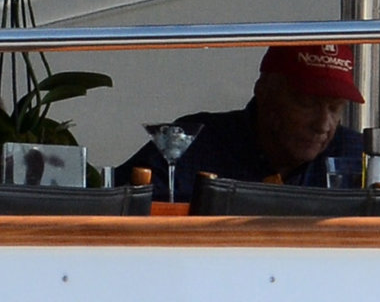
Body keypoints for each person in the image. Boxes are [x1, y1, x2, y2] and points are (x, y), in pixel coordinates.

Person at [114, 44, 365, 202]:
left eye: (335, 108)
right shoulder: (196, 144)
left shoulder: (358, 156)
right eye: (307, 104)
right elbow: (111, 202)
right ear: (264, 92)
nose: (323, 124)